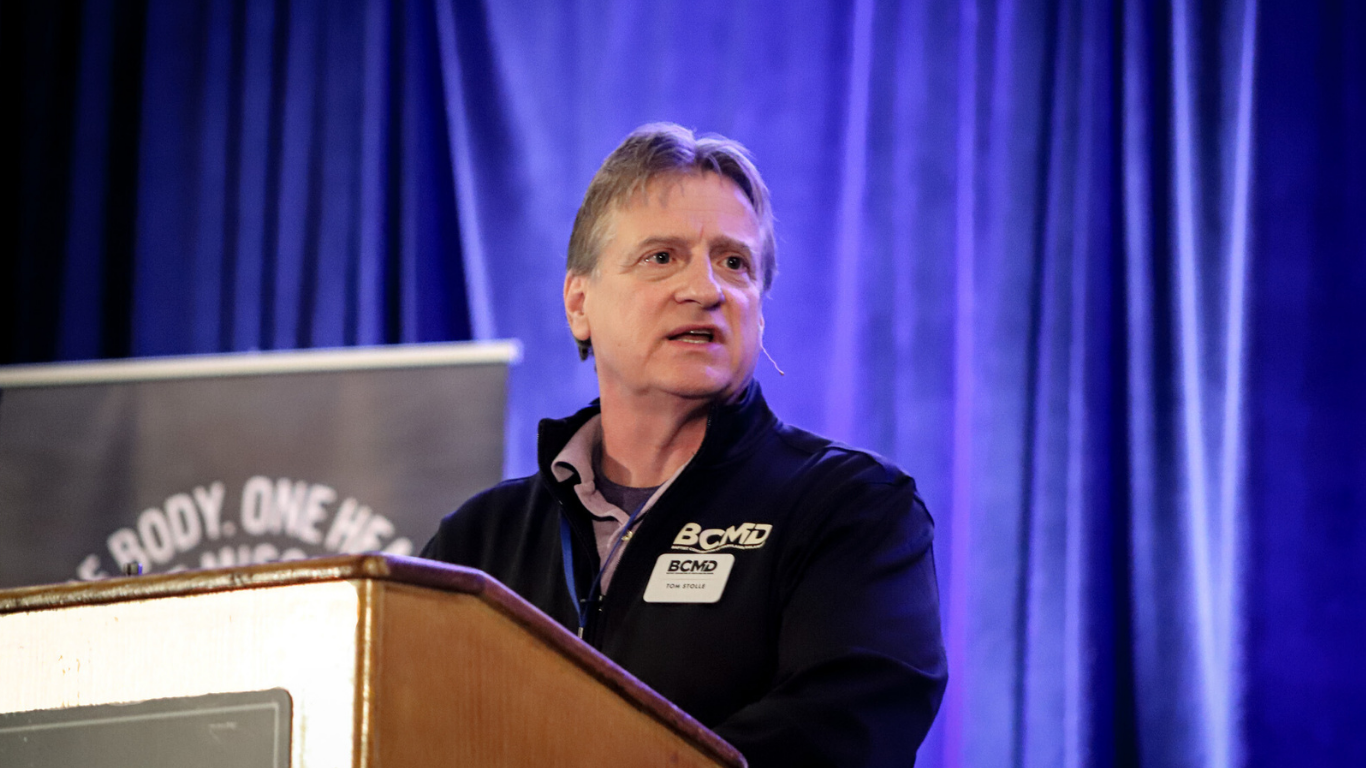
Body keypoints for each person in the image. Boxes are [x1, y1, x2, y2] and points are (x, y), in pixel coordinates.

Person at [421, 123, 946, 766]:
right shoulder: (477, 545)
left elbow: (837, 738)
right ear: (579, 304)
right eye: (662, 257)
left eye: (734, 263)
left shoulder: (854, 510)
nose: (705, 289)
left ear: (759, 309)